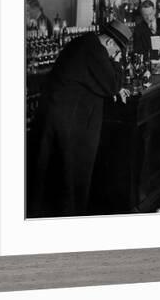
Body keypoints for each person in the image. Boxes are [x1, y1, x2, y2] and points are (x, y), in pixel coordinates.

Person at [27, 20, 132, 218]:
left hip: (61, 117)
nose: (114, 55)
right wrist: (117, 63)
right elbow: (111, 84)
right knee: (69, 173)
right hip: (68, 122)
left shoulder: (86, 42)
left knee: (56, 173)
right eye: (116, 51)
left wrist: (114, 84)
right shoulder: (95, 50)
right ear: (110, 43)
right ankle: (69, 217)